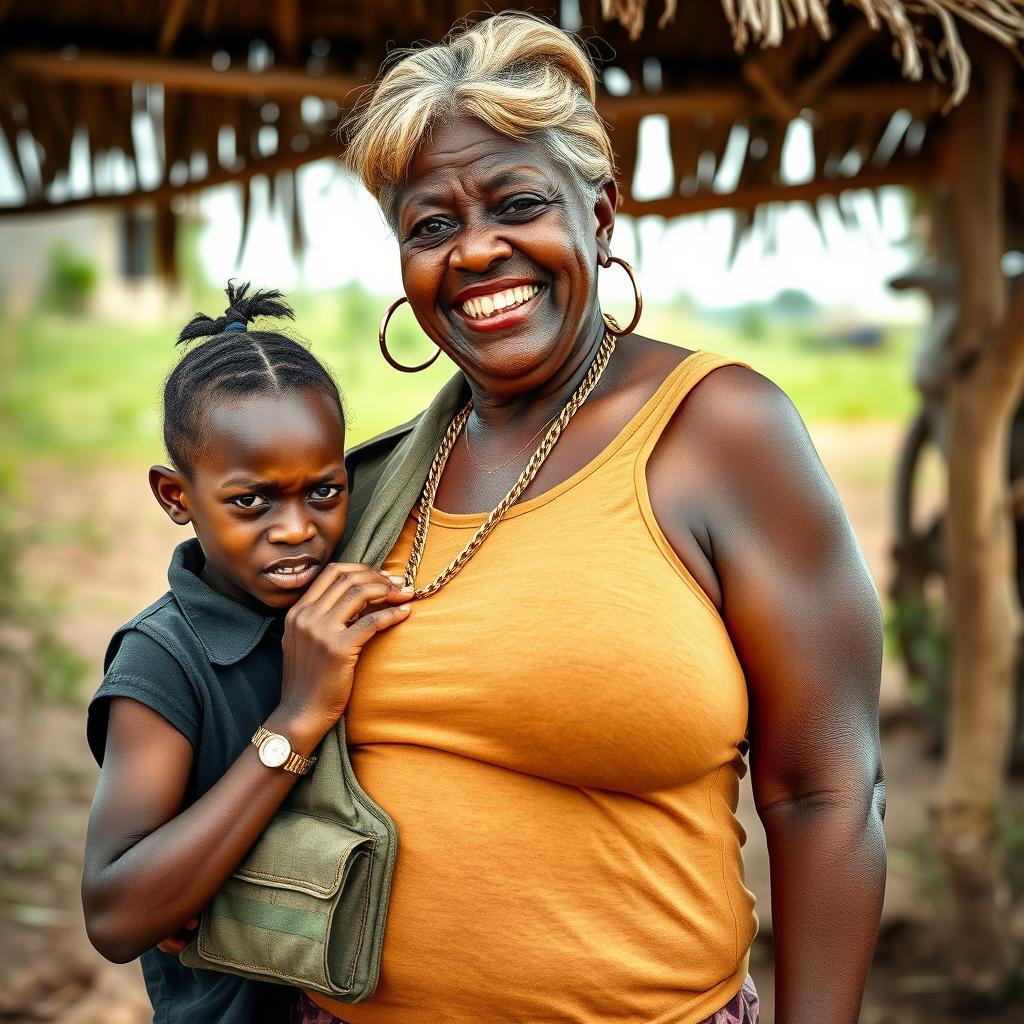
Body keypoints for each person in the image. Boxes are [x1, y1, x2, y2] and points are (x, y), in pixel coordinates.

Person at [287, 11, 885, 1024]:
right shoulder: (381, 482)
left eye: (516, 204)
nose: (475, 251)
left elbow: (825, 791)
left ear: (600, 215)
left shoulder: (718, 433)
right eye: (431, 225)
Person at [81, 282, 413, 1023]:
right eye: (251, 502)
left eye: (323, 493)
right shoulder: (163, 660)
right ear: (176, 497)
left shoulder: (345, 602)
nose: (296, 529)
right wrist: (296, 718)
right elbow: (115, 914)